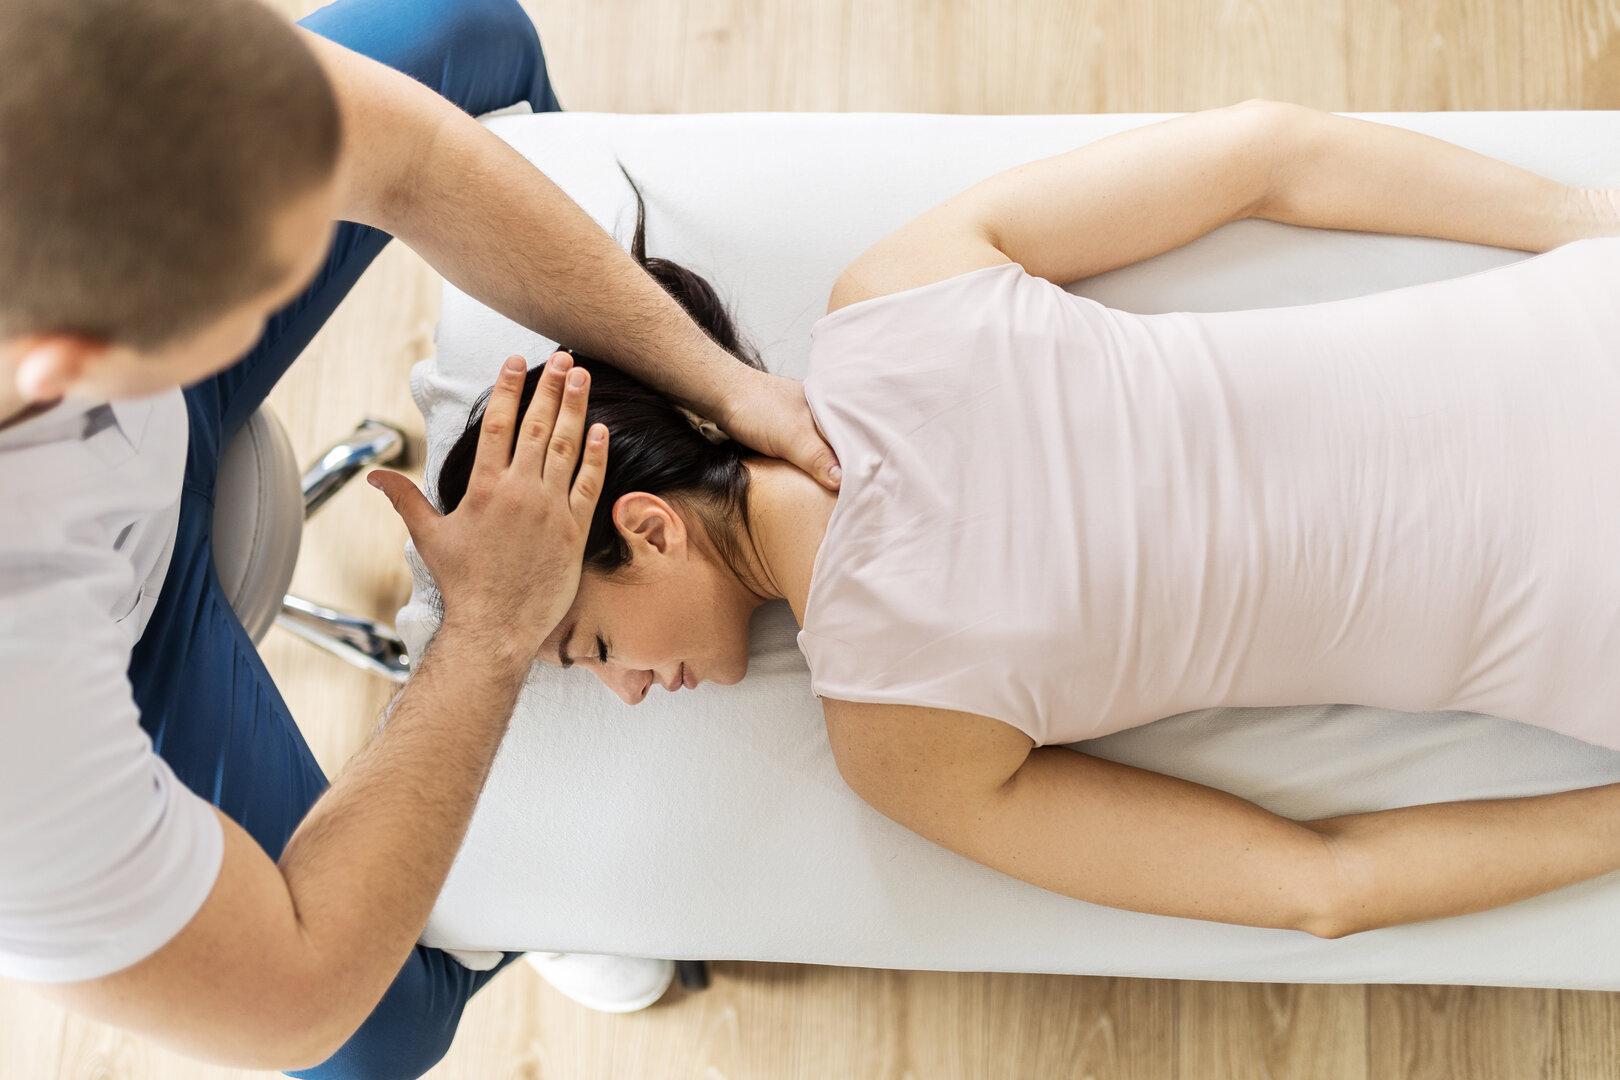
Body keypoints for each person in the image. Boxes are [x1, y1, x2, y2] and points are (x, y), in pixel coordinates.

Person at [435, 98, 1620, 941]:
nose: (629, 691)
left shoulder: (903, 746)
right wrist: (1582, 221)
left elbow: (1326, 889)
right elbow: (1273, 152)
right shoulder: (896, 296)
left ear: (646, 529)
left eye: (592, 647)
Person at [0, 0, 838, 1076]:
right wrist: (491, 628)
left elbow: (408, 158)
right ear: (72, 364)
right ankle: (535, 927)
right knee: (372, 1039)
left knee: (467, 31)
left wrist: (712, 380)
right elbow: (293, 998)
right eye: (261, 281)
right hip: (114, 638)